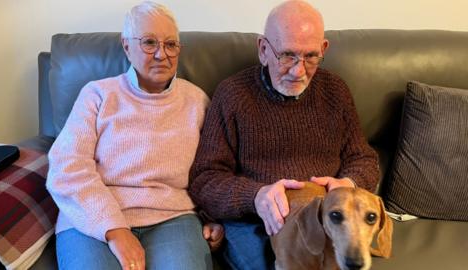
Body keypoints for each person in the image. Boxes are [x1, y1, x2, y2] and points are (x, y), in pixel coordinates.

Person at [188, 0, 380, 269]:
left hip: (323, 219)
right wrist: (255, 196)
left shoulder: (335, 91)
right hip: (258, 222)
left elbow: (365, 159)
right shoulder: (232, 95)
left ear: (324, 49)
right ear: (263, 49)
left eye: (311, 56)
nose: (298, 71)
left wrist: (348, 183)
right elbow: (204, 180)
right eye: (287, 55)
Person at [46, 1, 223, 270]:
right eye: (149, 42)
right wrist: (114, 230)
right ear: (127, 46)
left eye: (171, 44)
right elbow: (67, 167)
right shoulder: (97, 95)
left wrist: (213, 216)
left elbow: (212, 167)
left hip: (173, 217)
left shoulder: (197, 101)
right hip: (92, 218)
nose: (162, 54)